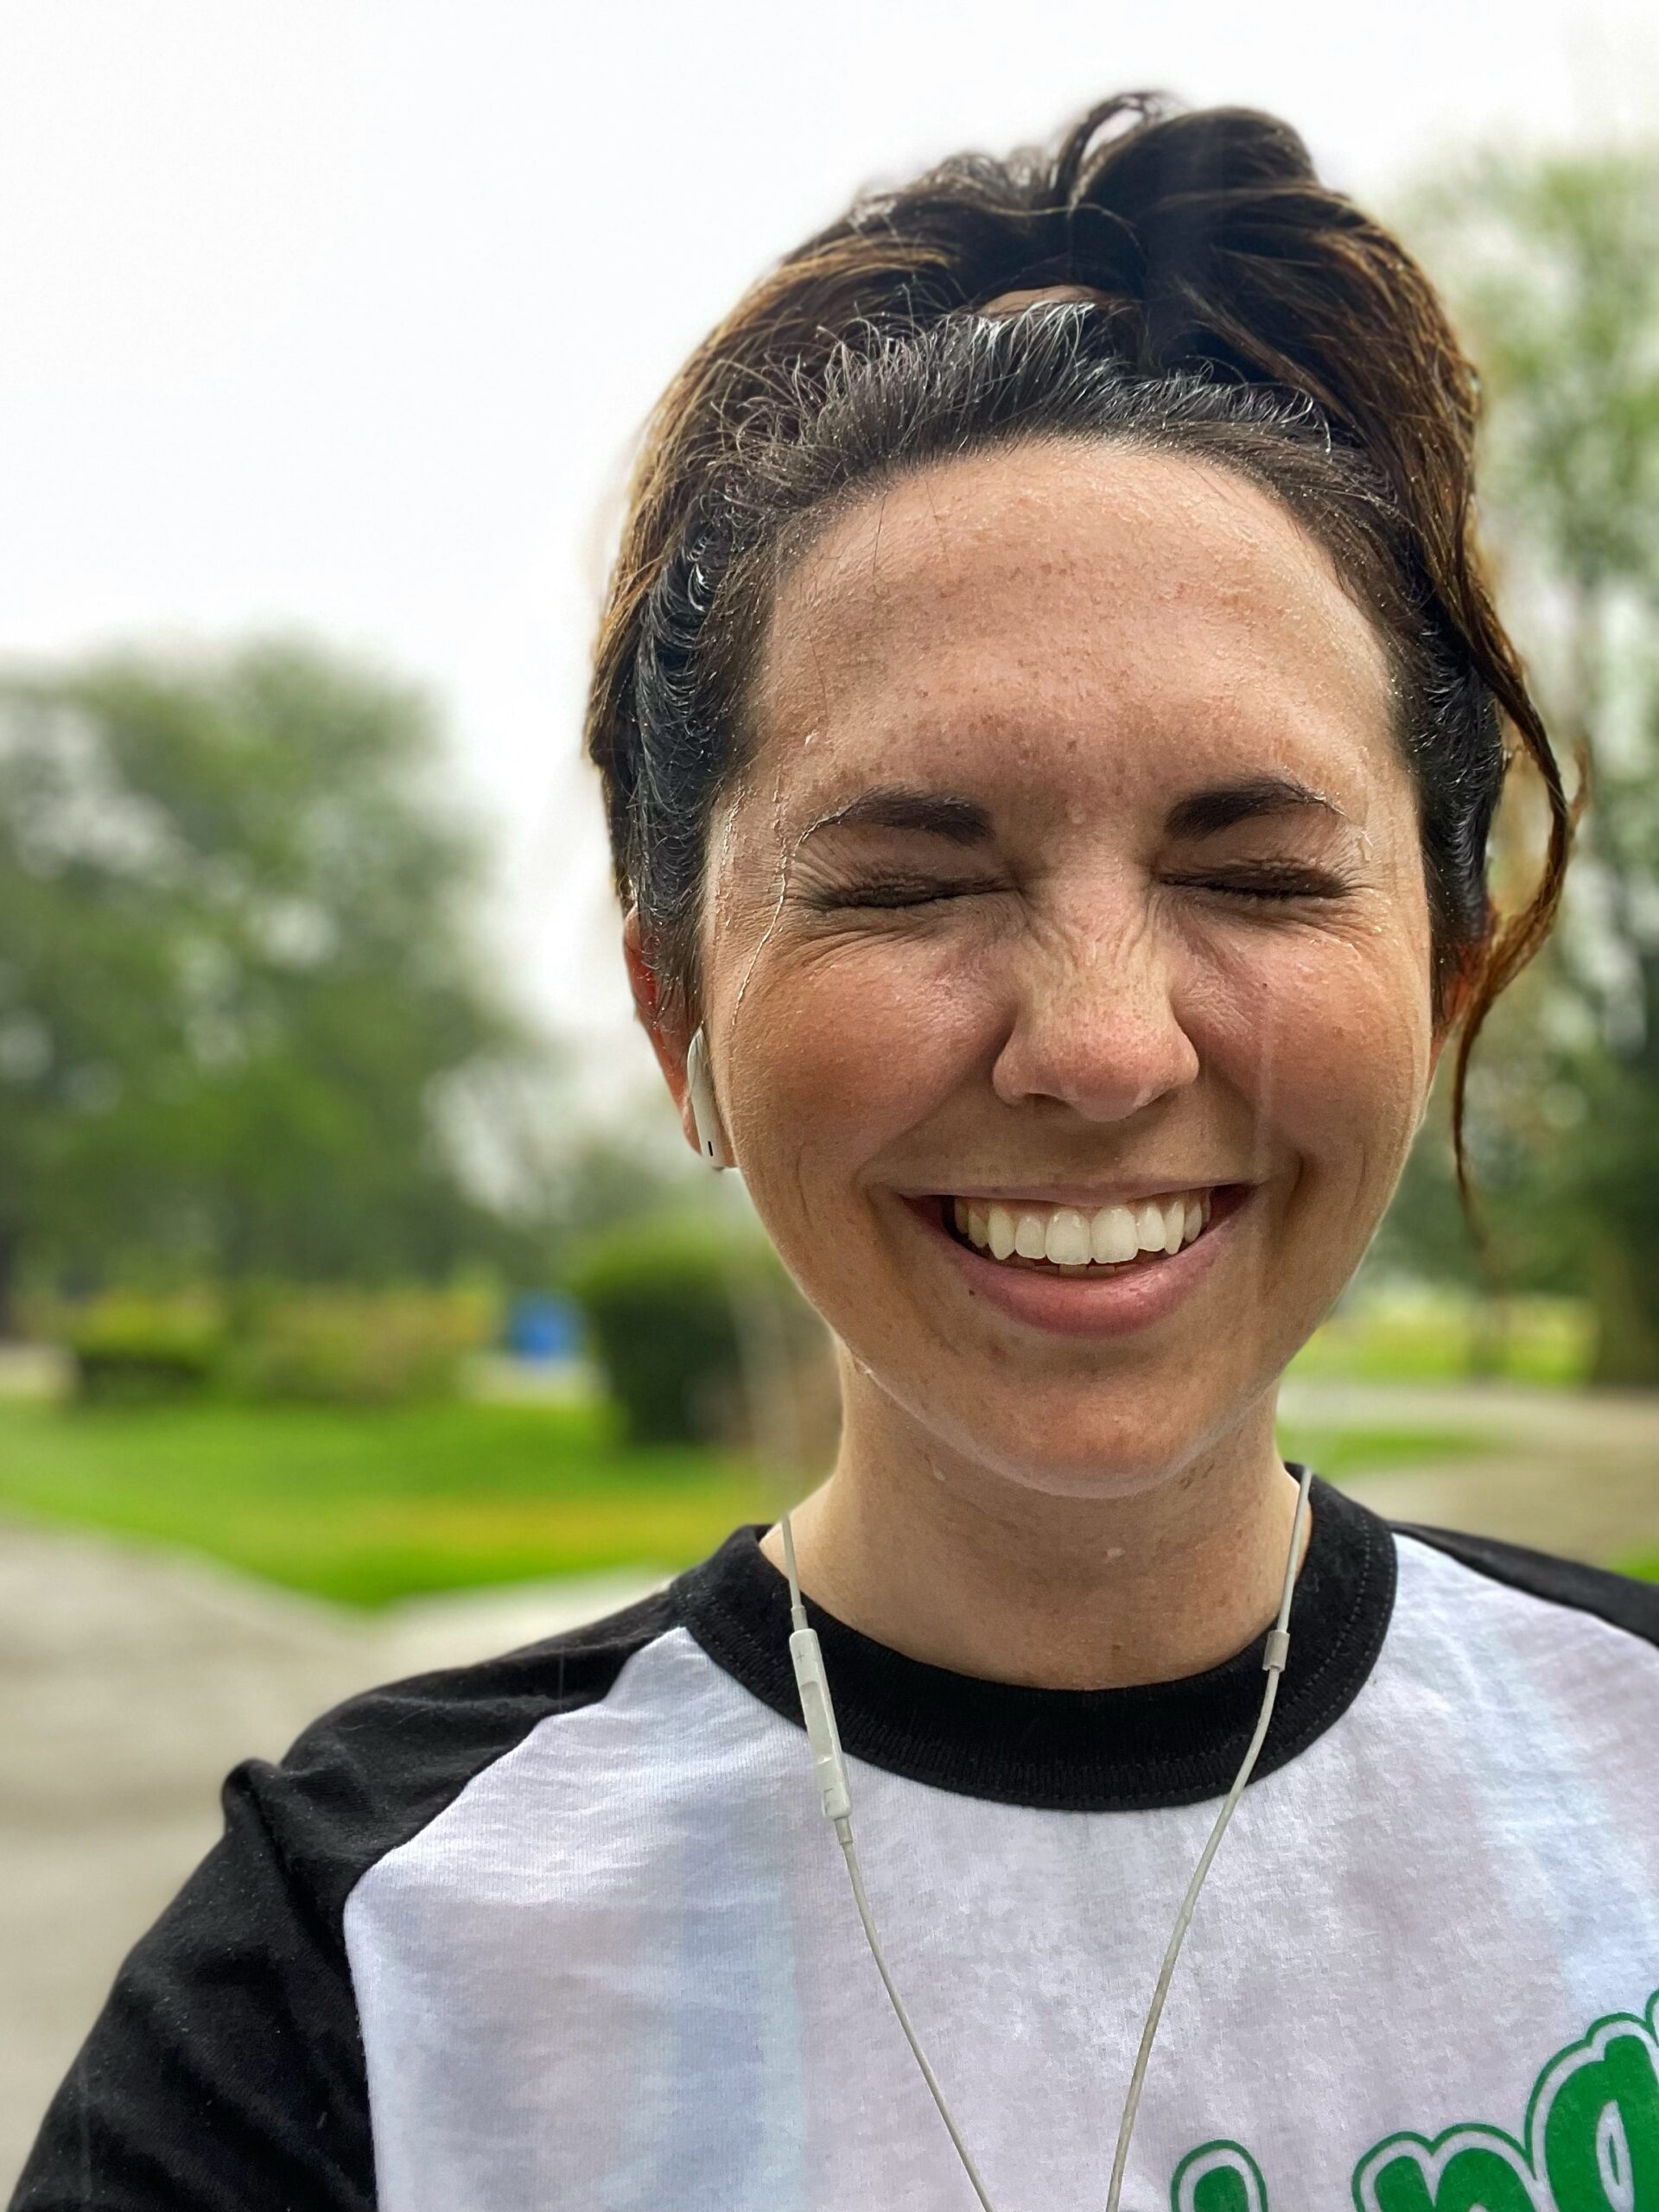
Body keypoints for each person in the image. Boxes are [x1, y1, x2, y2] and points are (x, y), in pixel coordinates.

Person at [15, 93, 1659, 2212]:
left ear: (1446, 970)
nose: (1095, 1041)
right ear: (677, 1012)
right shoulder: (362, 1977)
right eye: (902, 882)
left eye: (1252, 868)